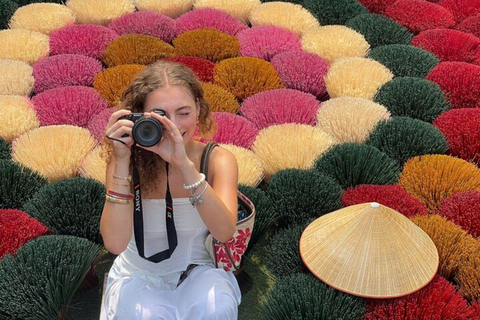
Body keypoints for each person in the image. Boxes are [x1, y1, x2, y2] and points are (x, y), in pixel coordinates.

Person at [99, 61, 241, 320]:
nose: (173, 125)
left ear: (198, 109)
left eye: (183, 112)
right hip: (136, 276)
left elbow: (224, 231)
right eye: (160, 114)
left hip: (197, 273)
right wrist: (120, 160)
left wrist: (184, 166)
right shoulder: (126, 161)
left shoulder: (218, 160)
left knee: (215, 308)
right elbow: (115, 243)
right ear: (140, 114)